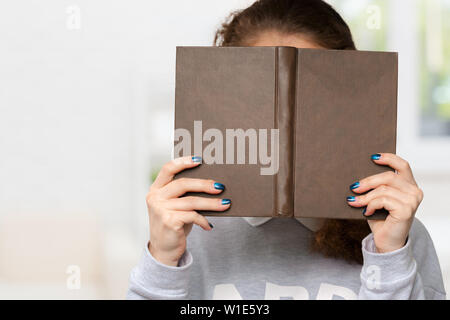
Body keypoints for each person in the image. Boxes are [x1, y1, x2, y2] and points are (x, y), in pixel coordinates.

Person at [127, 0, 446, 299]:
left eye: (312, 99)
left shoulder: (400, 234)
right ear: (225, 103)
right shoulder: (191, 232)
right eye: (260, 98)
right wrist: (162, 261)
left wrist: (389, 256)